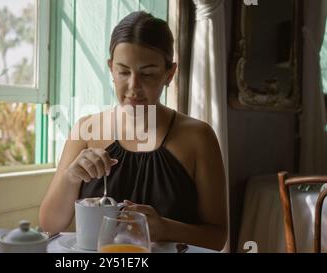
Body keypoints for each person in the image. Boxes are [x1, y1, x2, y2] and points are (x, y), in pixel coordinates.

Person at [39, 11, 227, 251]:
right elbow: (49, 224)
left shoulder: (198, 138)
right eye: (124, 72)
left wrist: (164, 228)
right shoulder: (86, 130)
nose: (133, 86)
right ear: (111, 68)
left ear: (169, 73)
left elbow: (217, 237)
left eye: (148, 73)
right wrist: (71, 177)